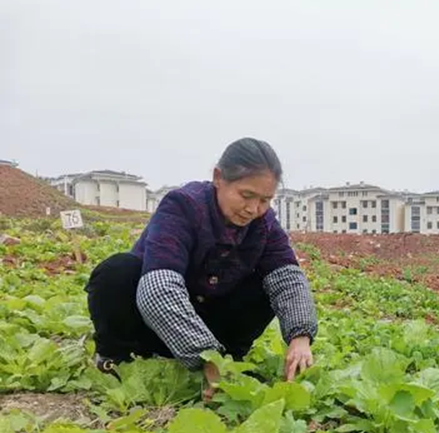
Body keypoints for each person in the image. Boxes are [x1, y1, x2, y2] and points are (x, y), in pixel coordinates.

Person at [84, 138, 317, 390]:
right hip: (155, 325)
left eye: (264, 200)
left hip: (211, 321)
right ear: (219, 177)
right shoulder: (182, 206)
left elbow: (288, 279)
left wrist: (300, 337)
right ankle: (117, 359)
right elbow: (158, 289)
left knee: (269, 281)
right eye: (246, 195)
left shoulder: (264, 224)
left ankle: (228, 362)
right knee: (117, 271)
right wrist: (207, 356)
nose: (253, 209)